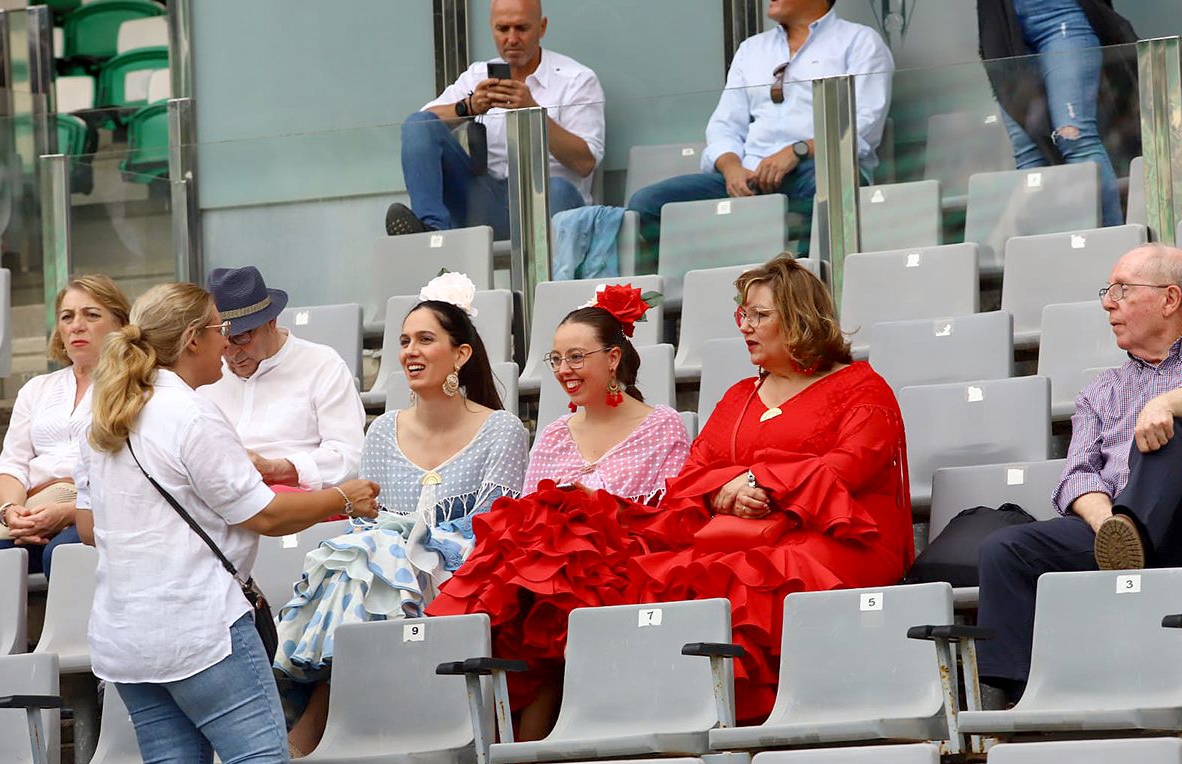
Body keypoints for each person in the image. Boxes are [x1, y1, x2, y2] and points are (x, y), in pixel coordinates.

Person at [432, 257, 912, 726]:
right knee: (608, 556)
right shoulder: (741, 394)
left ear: (802, 319)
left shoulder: (861, 387)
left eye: (760, 315)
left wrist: (758, 482)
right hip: (735, 532)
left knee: (731, 579)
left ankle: (741, 723)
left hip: (835, 540)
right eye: (742, 314)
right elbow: (693, 474)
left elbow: (850, 467)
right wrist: (726, 488)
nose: (746, 325)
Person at [76, 282, 379, 764]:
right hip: (197, 623)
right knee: (260, 762)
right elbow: (264, 515)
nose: (227, 341)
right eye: (220, 329)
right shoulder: (190, 414)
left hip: (122, 632)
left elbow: (87, 527)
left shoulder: (104, 413)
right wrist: (342, 499)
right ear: (193, 339)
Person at [275, 272, 529, 757]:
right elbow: (364, 525)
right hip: (386, 573)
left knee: (373, 554)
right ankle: (339, 720)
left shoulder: (502, 430)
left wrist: (411, 546)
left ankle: (317, 720)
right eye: (404, 341)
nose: (410, 351)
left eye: (426, 340)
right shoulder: (382, 431)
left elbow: (493, 529)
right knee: (361, 554)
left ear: (461, 354)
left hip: (471, 570)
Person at [428, 284, 690, 736]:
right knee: (521, 551)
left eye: (576, 357)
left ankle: (534, 732)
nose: (563, 370)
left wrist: (589, 512)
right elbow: (526, 516)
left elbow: (670, 515)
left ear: (612, 358)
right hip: (548, 575)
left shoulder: (662, 424)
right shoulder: (552, 434)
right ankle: (493, 731)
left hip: (625, 565)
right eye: (555, 359)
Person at [976, 244, 1182, 701]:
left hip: (1177, 524)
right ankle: (1027, 698)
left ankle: (1133, 531)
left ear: (1170, 299)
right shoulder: (1100, 391)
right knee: (1006, 549)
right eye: (1108, 291)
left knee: (1168, 434)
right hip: (1110, 532)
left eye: (1123, 290)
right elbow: (1078, 475)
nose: (1108, 302)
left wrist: (1166, 403)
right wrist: (1106, 523)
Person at [626, 0, 893, 262]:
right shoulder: (751, 49)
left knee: (828, 182)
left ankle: (802, 283)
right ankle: (713, 276)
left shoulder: (859, 42)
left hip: (818, 170)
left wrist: (797, 151)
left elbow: (862, 127)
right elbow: (724, 125)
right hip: (749, 174)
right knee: (646, 204)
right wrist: (731, 167)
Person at [386, 0, 604, 238]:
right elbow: (421, 126)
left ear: (542, 28)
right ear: (492, 28)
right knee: (418, 126)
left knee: (558, 188)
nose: (511, 39)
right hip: (487, 201)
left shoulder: (576, 80)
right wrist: (469, 106)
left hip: (550, 202)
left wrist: (533, 111)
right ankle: (432, 233)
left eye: (521, 28)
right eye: (503, 29)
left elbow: (586, 162)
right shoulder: (478, 75)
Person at [0, 275, 130, 576]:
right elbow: (12, 465)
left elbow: (129, 468)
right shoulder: (37, 388)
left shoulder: (131, 384)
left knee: (61, 553)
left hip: (97, 513)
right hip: (33, 511)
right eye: (67, 317)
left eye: (91, 315)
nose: (77, 325)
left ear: (120, 324)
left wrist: (66, 513)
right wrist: (13, 513)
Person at [198, 266, 365, 490]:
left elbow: (349, 457)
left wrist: (277, 469)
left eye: (241, 337)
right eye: (222, 339)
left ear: (272, 322)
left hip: (295, 500)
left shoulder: (322, 365)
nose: (231, 353)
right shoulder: (206, 373)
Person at [977, 0, 1137, 228]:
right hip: (1004, 21)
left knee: (1075, 138)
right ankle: (1044, 252)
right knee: (1028, 154)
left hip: (1059, 12)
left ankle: (1114, 245)